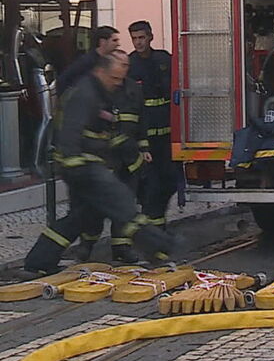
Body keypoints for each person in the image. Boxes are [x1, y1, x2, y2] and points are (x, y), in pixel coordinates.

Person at [22, 55, 179, 275]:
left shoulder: (102, 93)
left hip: (88, 164)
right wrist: (79, 165)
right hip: (82, 165)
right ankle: (159, 250)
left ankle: (39, 261)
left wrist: (124, 152)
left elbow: (105, 134)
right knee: (122, 202)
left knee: (82, 217)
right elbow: (71, 133)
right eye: (115, 77)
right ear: (101, 72)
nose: (118, 82)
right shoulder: (85, 94)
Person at [70, 50, 151, 263]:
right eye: (119, 65)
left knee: (125, 206)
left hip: (129, 158)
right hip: (104, 156)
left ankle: (122, 248)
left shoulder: (134, 88)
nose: (123, 70)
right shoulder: (97, 89)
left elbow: (142, 119)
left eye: (125, 65)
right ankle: (86, 246)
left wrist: (144, 148)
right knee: (94, 207)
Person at [128, 20, 178, 228]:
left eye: (141, 38)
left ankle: (156, 221)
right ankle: (155, 228)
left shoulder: (164, 59)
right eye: (134, 39)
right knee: (150, 185)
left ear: (151, 37)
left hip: (167, 136)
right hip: (145, 138)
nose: (138, 43)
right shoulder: (129, 64)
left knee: (170, 181)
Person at [55, 25, 120, 96]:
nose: (118, 44)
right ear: (102, 42)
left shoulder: (110, 60)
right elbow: (64, 79)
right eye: (114, 40)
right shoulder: (86, 61)